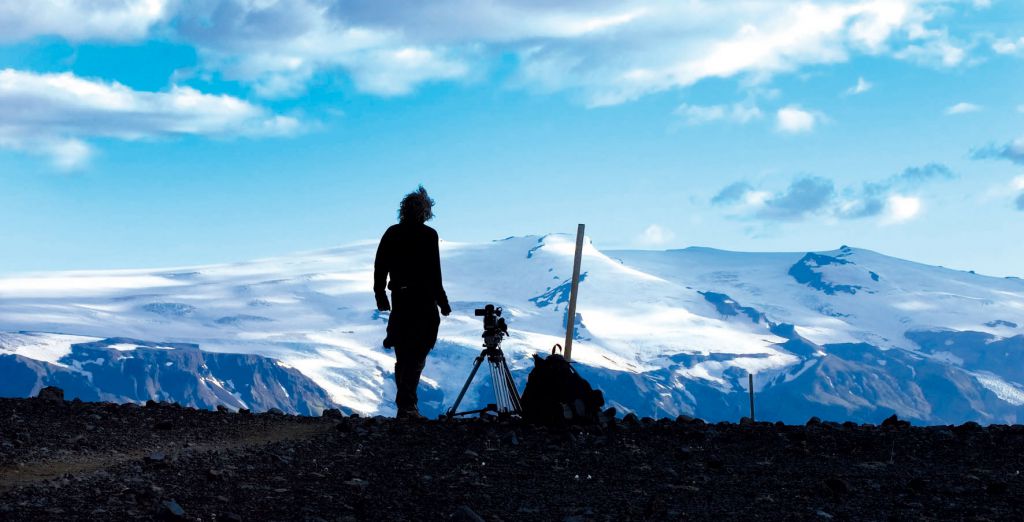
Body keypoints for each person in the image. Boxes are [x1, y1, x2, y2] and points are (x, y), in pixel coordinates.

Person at [374, 186, 452, 419]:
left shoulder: (392, 233)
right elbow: (435, 273)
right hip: (424, 302)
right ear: (426, 212)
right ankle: (408, 405)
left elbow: (380, 266)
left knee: (403, 353)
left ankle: (406, 405)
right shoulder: (429, 235)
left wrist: (380, 294)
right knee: (417, 354)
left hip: (401, 300)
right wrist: (443, 302)